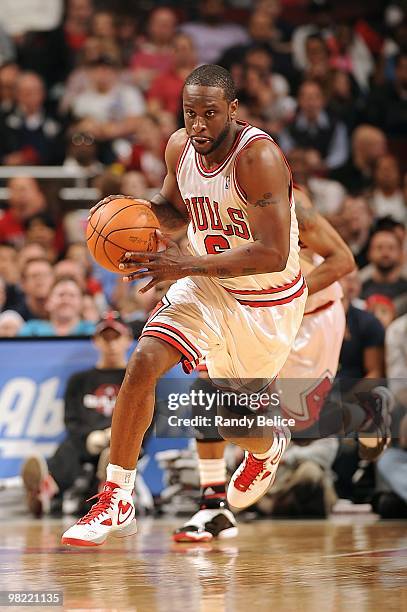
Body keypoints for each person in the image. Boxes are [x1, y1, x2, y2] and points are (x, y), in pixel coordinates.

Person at [62, 64, 308, 546]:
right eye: (189, 112)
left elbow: (272, 253)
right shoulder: (179, 146)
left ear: (233, 110)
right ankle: (117, 496)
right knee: (143, 362)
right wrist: (129, 217)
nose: (197, 125)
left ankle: (270, 444)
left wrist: (186, 266)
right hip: (206, 283)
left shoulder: (257, 157)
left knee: (230, 422)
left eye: (209, 114)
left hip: (266, 302)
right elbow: (174, 209)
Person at [173, 186, 355, 541]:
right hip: (250, 311)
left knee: (293, 416)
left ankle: (273, 460)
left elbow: (343, 261)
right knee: (206, 390)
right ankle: (213, 506)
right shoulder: (204, 193)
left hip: (310, 314)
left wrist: (287, 298)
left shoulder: (289, 199)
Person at [21, 313, 132, 517]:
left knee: (115, 453)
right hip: (85, 443)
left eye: (116, 336)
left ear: (128, 340)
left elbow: (147, 421)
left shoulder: (136, 379)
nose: (111, 343)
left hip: (123, 442)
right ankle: (45, 489)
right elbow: (71, 422)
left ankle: (108, 492)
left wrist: (112, 436)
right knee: (69, 447)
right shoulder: (79, 380)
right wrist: (90, 439)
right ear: (95, 341)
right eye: (105, 337)